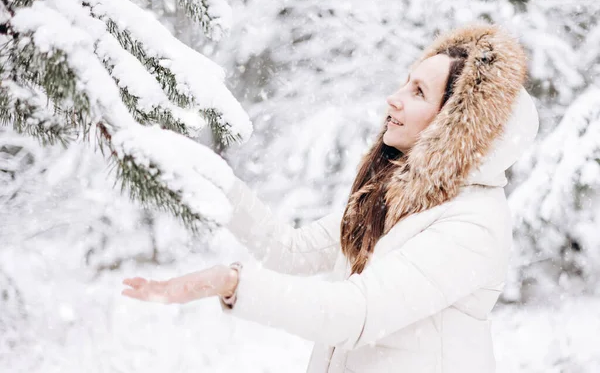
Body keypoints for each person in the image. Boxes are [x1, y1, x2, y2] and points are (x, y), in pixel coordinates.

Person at [121, 23, 540, 373]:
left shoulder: (472, 224)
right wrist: (213, 178)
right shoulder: (392, 198)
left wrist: (233, 283)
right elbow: (288, 250)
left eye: (418, 92)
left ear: (457, 124)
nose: (393, 97)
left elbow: (357, 313)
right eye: (405, 81)